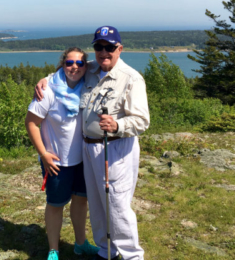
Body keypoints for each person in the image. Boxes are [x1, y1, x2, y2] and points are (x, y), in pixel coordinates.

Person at [35, 26, 150, 260]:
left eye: (109, 47)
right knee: (96, 202)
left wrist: (118, 125)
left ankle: (131, 255)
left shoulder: (131, 78)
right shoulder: (92, 70)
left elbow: (141, 120)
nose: (104, 52)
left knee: (116, 204)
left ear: (120, 49)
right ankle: (106, 250)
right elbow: (69, 70)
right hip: (88, 148)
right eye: (99, 47)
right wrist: (44, 80)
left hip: (115, 148)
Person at [25, 47, 100, 260]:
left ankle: (80, 244)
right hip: (56, 161)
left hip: (83, 159)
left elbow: (104, 66)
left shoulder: (87, 86)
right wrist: (44, 155)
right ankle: (54, 250)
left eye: (79, 63)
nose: (74, 67)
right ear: (62, 64)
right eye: (69, 63)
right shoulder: (48, 90)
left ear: (86, 66)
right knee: (55, 205)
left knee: (81, 201)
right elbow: (31, 123)